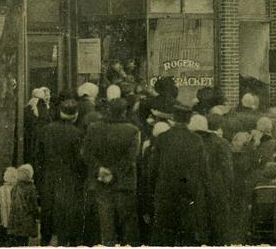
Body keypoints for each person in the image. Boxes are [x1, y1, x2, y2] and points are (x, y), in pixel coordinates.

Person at [82, 97, 141, 246]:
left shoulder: (94, 128)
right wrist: (114, 172)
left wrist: (100, 169)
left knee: (106, 226)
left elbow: (86, 153)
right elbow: (130, 158)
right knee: (127, 227)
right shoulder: (132, 130)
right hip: (124, 183)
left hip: (101, 182)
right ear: (124, 112)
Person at [150, 103, 210, 246]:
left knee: (165, 235)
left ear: (173, 118)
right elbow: (204, 170)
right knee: (187, 236)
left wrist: (152, 192)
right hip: (188, 195)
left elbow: (153, 169)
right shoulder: (196, 140)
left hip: (165, 194)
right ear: (189, 120)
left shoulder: (162, 138)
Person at [36, 98, 86, 246]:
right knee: (66, 213)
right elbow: (80, 160)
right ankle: (65, 242)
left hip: (48, 176)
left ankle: (45, 240)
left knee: (47, 210)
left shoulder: (45, 131)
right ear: (75, 115)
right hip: (69, 177)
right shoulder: (77, 133)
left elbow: (38, 157)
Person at [189, 113, 233, 244]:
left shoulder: (191, 143)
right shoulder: (221, 143)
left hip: (197, 191)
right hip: (218, 190)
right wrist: (228, 190)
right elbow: (227, 170)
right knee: (218, 230)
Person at [8, 164, 39, 246]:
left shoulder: (15, 187)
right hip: (26, 220)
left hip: (15, 219)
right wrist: (37, 215)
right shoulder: (31, 188)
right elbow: (33, 205)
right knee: (23, 241)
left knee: (15, 241)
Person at [0, 167, 18, 246]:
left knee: (5, 225)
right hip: (13, 215)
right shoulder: (16, 189)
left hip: (4, 213)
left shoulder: (0, 189)